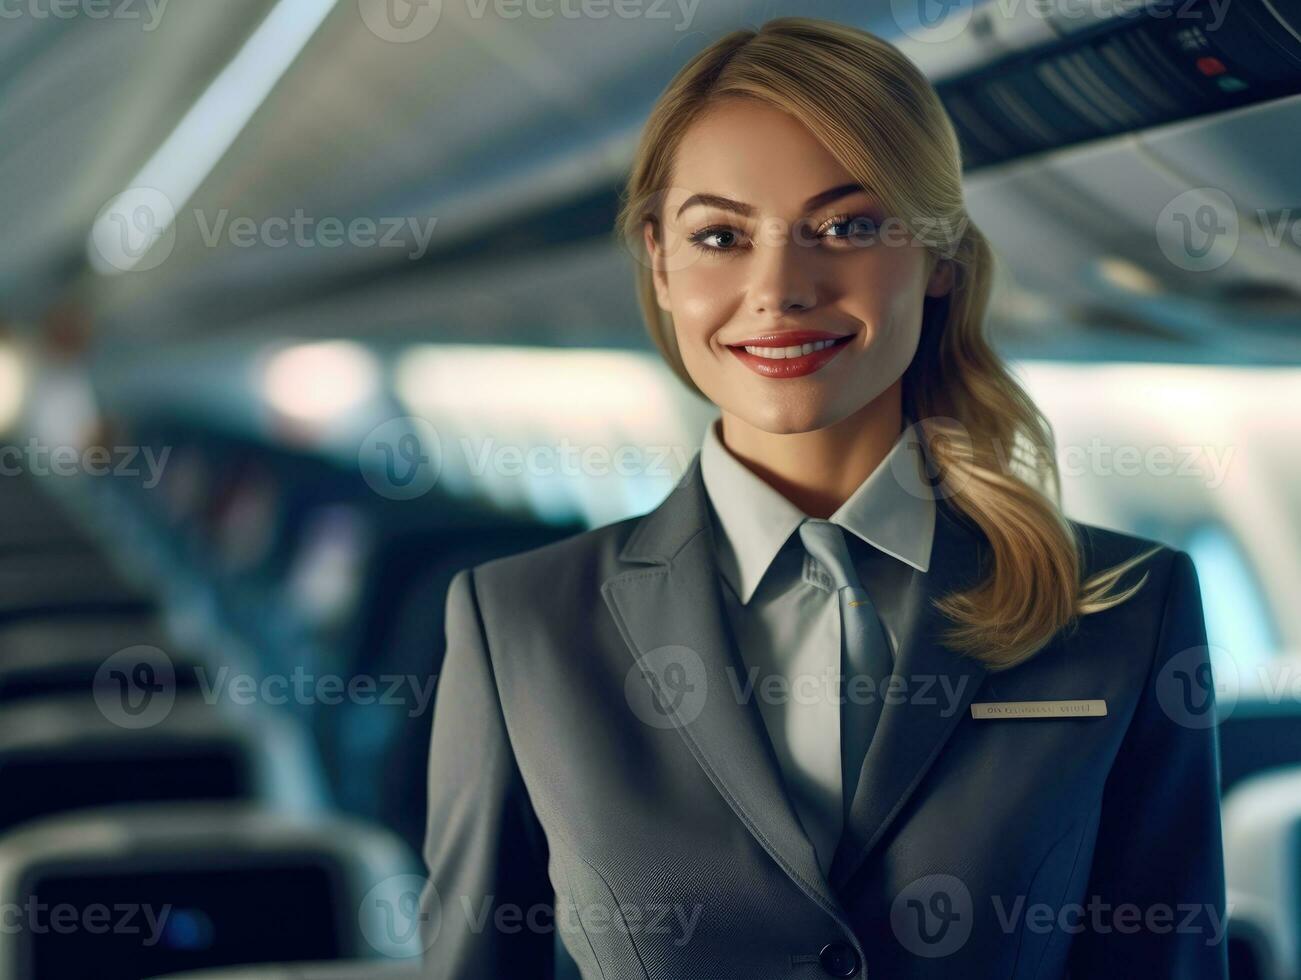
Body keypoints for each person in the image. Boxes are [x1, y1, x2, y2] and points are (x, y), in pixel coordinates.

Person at [417, 17, 1227, 978]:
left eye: (845, 226)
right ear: (660, 263)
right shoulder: (520, 626)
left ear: (938, 258)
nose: (779, 288)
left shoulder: (1125, 605)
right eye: (719, 236)